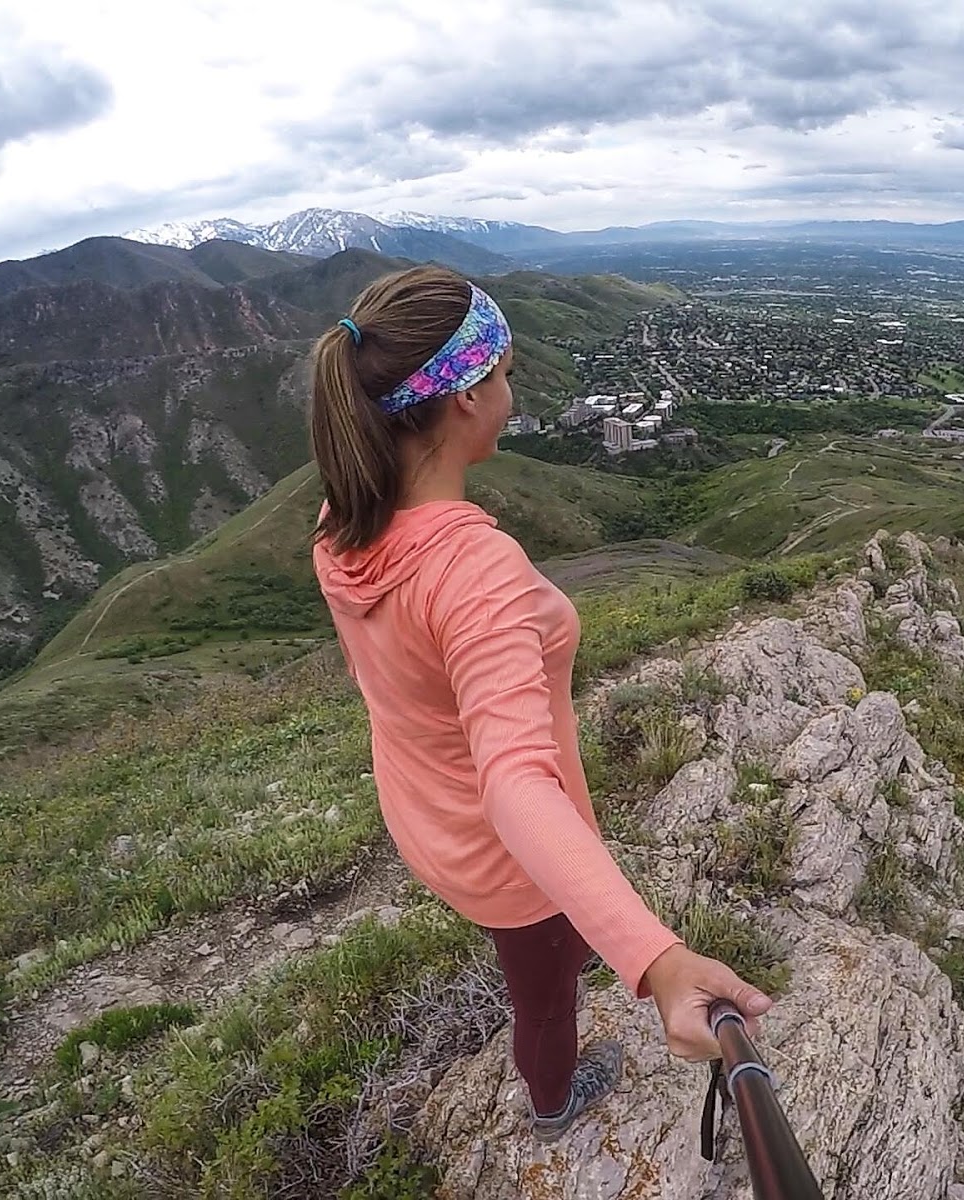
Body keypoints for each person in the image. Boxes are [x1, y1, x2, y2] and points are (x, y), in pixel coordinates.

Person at [308, 265, 771, 1143]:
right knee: (546, 995)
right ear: (469, 396)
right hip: (506, 859)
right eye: (509, 374)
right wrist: (656, 958)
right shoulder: (471, 571)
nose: (514, 395)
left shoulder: (344, 524)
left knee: (535, 967)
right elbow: (518, 787)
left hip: (422, 810)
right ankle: (553, 1103)